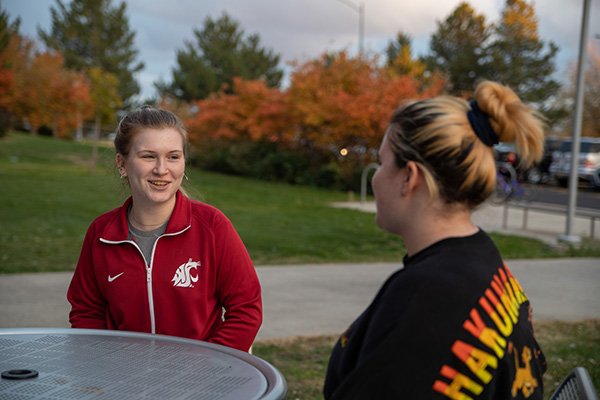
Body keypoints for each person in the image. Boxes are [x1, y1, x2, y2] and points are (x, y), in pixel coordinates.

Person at [323, 81, 547, 399]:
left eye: (383, 162)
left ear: (408, 178)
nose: (375, 175)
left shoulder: (426, 300)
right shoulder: (480, 257)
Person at [67, 106, 262, 353]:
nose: (161, 169)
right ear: (122, 163)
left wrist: (208, 364)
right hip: (124, 381)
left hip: (202, 380)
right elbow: (86, 311)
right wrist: (108, 363)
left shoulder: (212, 226)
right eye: (148, 156)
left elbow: (246, 308)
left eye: (173, 156)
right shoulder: (101, 233)